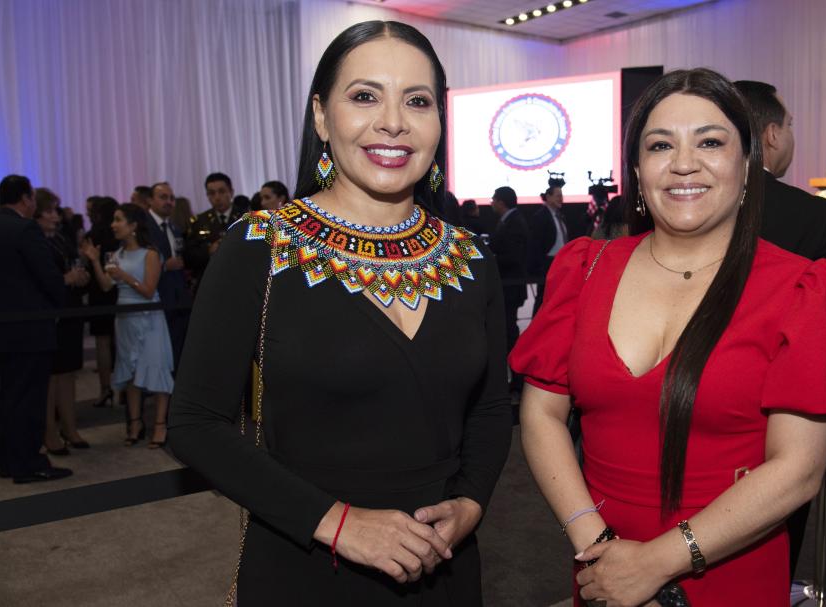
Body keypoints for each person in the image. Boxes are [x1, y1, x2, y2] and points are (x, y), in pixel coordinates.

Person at [169, 20, 511, 605]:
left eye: (418, 101)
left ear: (438, 122)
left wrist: (472, 501)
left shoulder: (471, 256)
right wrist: (338, 523)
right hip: (304, 563)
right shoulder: (262, 246)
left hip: (445, 566)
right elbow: (195, 423)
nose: (394, 122)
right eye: (364, 96)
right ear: (322, 117)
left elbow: (491, 407)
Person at [510, 68, 826, 605]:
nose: (684, 162)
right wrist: (601, 547)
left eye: (710, 141)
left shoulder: (802, 289)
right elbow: (541, 416)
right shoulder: (584, 270)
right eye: (661, 144)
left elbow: (798, 470)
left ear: (748, 163)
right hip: (603, 571)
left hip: (731, 569)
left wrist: (655, 563)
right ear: (638, 168)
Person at [734, 80, 826, 576]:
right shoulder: (815, 216)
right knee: (773, 537)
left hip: (681, 397)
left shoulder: (675, 205)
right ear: (772, 134)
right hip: (781, 409)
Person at [0, 175, 71, 483]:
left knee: (11, 398)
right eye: (32, 197)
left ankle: (9, 460)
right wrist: (60, 298)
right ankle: (29, 463)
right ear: (25, 198)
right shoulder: (25, 229)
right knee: (30, 399)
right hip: (31, 329)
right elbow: (48, 277)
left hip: (4, 329)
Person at [82, 204, 174, 448]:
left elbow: (148, 290)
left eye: (118, 220)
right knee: (130, 371)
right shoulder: (116, 254)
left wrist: (125, 277)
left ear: (133, 226)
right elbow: (104, 286)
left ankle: (160, 425)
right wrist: (94, 261)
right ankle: (135, 424)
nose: (113, 225)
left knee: (155, 367)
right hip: (124, 320)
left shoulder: (150, 253)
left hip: (149, 317)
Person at [736, 80, 826, 276]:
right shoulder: (818, 217)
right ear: (772, 134)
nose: (791, 134)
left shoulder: (691, 204)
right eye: (789, 124)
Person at [33, 190, 91, 453]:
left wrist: (80, 276)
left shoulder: (59, 238)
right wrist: (67, 278)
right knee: (50, 378)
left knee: (68, 374)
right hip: (50, 315)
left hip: (70, 311)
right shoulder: (35, 241)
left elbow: (74, 266)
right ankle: (49, 434)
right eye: (50, 211)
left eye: (56, 211)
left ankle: (70, 428)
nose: (55, 216)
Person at [145, 182, 190, 365]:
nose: (169, 202)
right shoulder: (144, 228)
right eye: (163, 197)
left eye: (171, 198)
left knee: (178, 346)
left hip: (177, 296)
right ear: (150, 200)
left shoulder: (174, 227)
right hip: (156, 295)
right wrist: (163, 265)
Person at [489, 186, 529, 382]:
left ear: (501, 202)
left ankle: (516, 377)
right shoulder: (509, 221)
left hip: (511, 286)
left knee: (509, 331)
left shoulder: (515, 223)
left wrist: (491, 258)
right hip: (508, 285)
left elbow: (514, 257)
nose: (491, 203)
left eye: (493, 199)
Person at [84, 196, 120, 407]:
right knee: (120, 341)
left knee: (102, 343)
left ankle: (104, 387)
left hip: (99, 292)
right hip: (118, 290)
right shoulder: (119, 236)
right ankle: (124, 388)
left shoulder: (93, 235)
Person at [528, 177, 578, 313]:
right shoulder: (540, 217)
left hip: (561, 262)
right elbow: (536, 244)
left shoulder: (560, 216)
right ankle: (536, 328)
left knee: (559, 299)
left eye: (562, 196)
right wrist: (539, 266)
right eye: (558, 196)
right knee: (543, 298)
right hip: (547, 264)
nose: (561, 199)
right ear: (548, 197)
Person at [183, 172, 237, 285]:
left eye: (222, 191)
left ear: (231, 192)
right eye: (211, 193)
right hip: (209, 282)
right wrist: (208, 251)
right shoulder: (198, 221)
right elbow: (188, 256)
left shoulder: (246, 217)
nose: (217, 197)